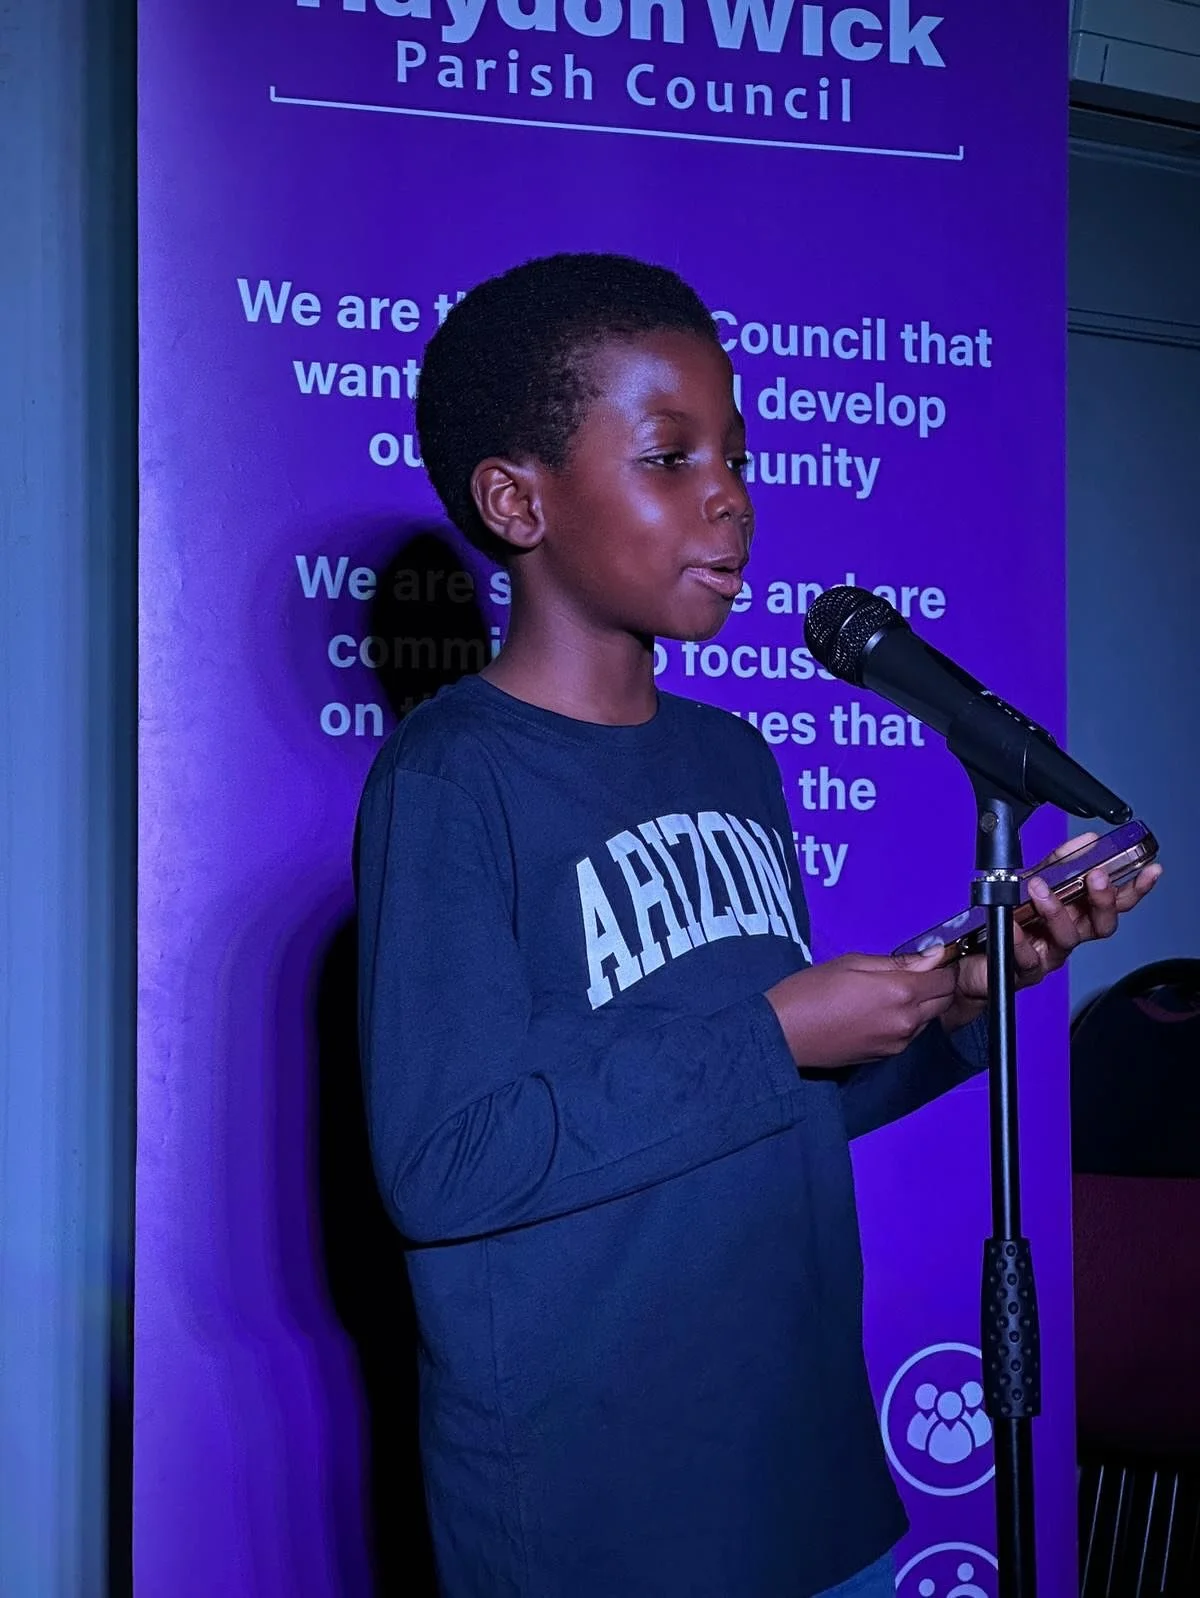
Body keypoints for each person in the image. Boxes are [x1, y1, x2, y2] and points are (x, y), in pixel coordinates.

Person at [354, 253, 1159, 1598]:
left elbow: (768, 1104)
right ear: (517, 498)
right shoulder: (451, 778)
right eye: (671, 457)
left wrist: (967, 988)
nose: (731, 496)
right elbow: (445, 1162)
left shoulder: (736, 761)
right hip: (598, 1512)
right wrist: (776, 1027)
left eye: (738, 451)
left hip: (799, 1469)